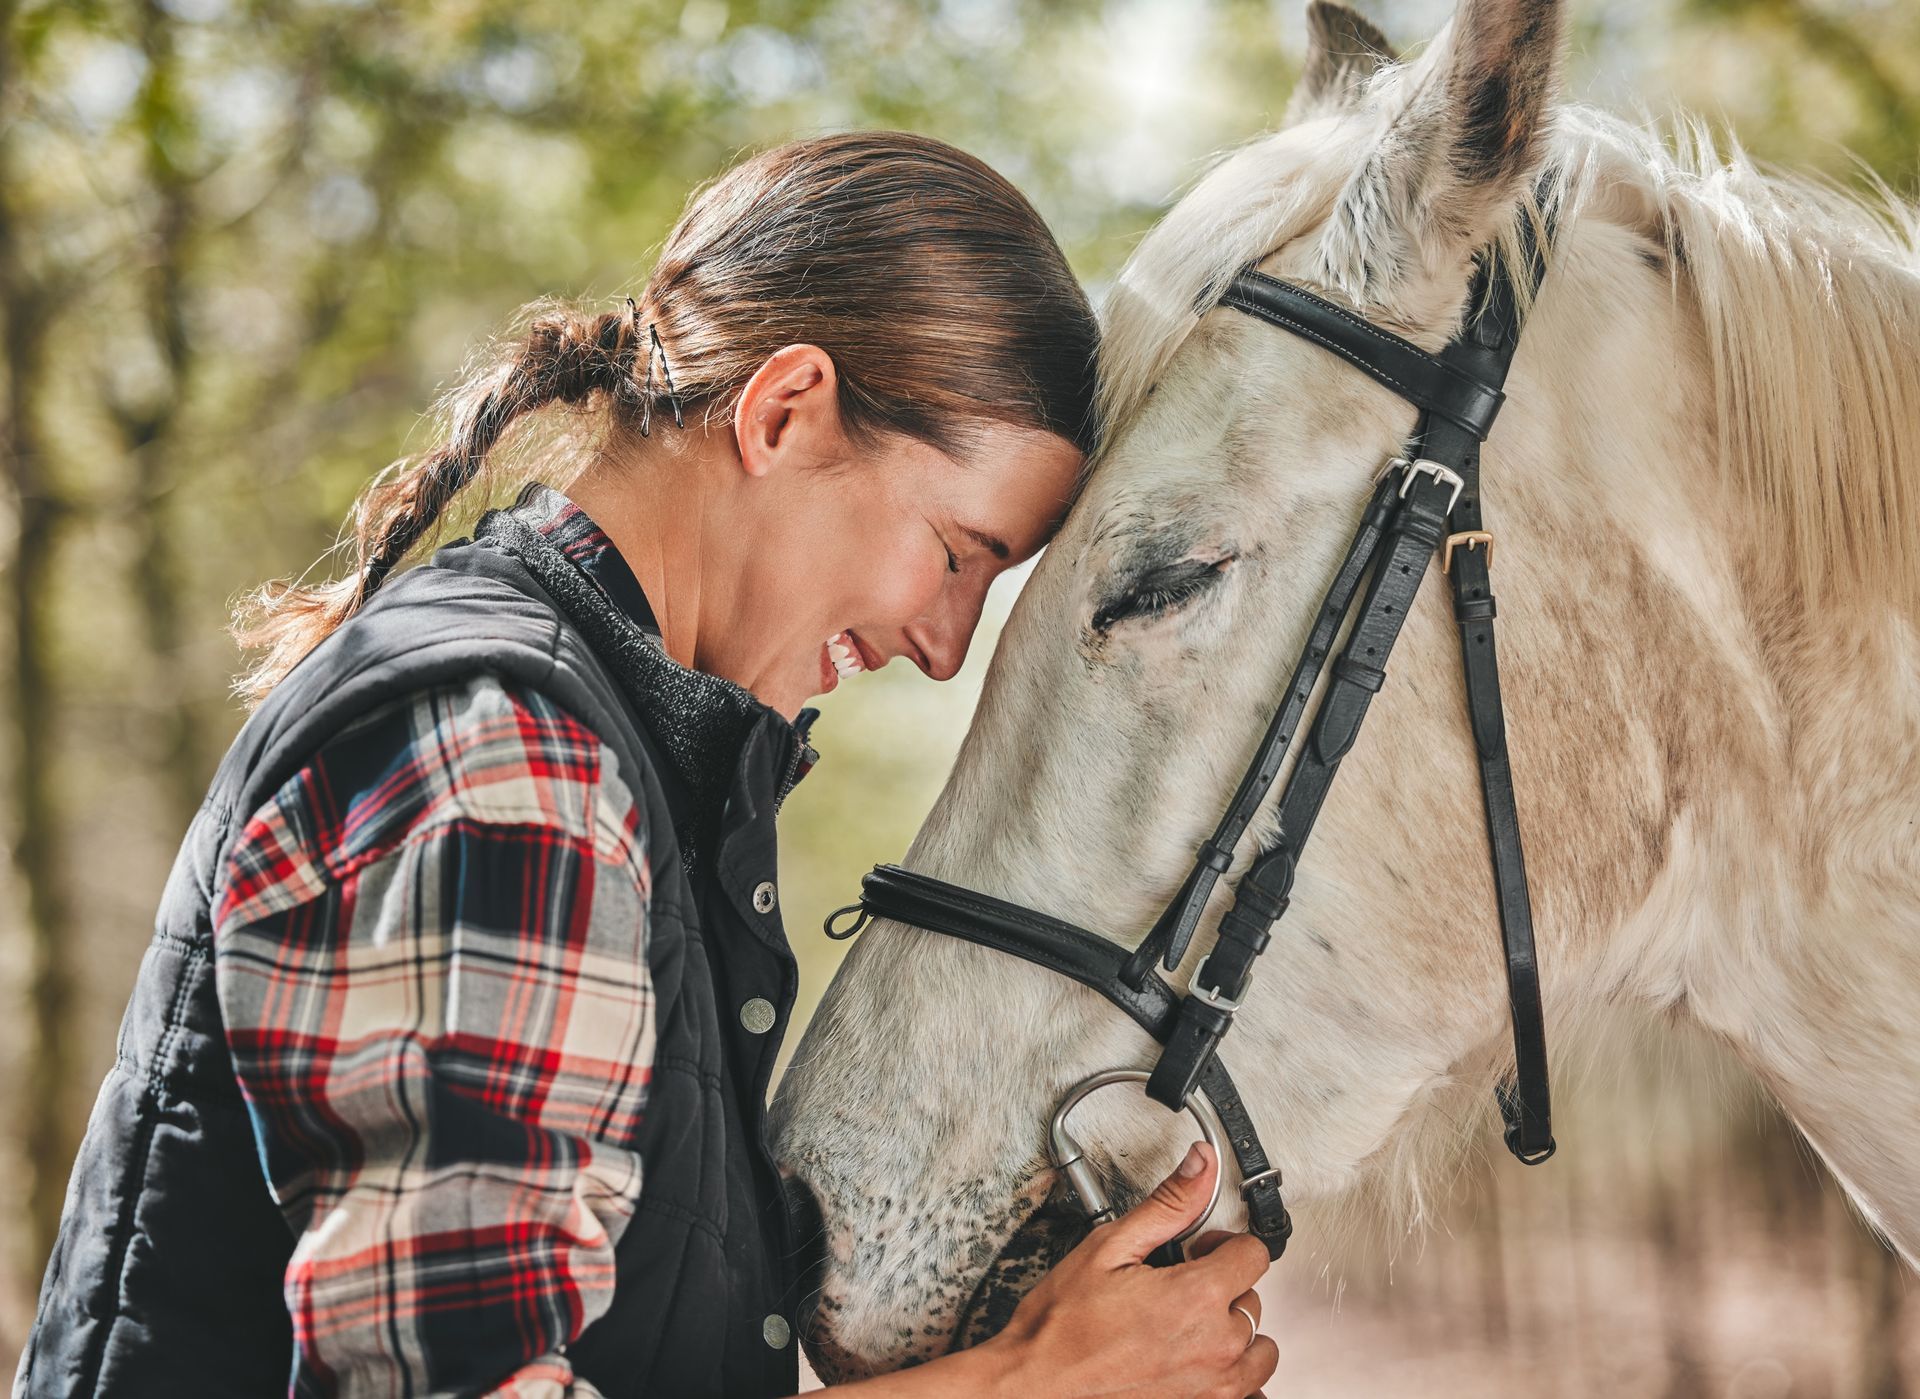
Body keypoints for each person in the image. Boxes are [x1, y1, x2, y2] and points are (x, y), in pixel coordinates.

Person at [17, 131, 1277, 1399]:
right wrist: (1033, 1383)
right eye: (959, 552)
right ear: (784, 411)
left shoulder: (621, 765)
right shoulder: (508, 765)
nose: (946, 648)